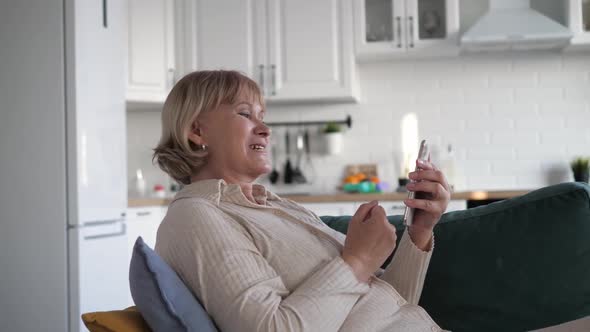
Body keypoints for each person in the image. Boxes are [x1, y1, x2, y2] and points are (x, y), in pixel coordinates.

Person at [152, 70, 451, 331]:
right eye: (245, 114)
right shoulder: (194, 217)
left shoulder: (276, 206)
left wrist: (418, 231)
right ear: (196, 131)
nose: (266, 130)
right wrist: (357, 261)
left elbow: (389, 308)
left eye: (262, 116)